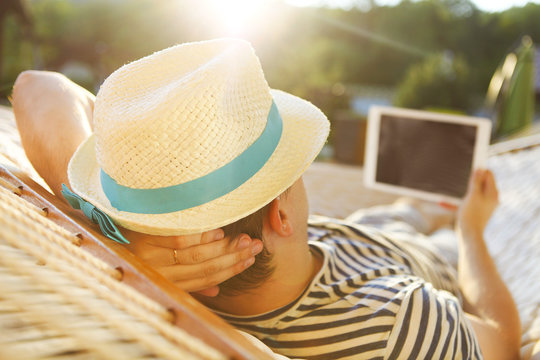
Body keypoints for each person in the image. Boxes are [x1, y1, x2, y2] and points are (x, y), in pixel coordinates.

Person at [11, 38, 520, 359]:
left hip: (354, 233)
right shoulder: (403, 325)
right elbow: (503, 338)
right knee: (442, 218)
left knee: (405, 213)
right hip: (420, 258)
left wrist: (110, 230)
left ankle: (423, 212)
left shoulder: (142, 242)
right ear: (279, 213)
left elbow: (36, 87)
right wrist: (471, 229)